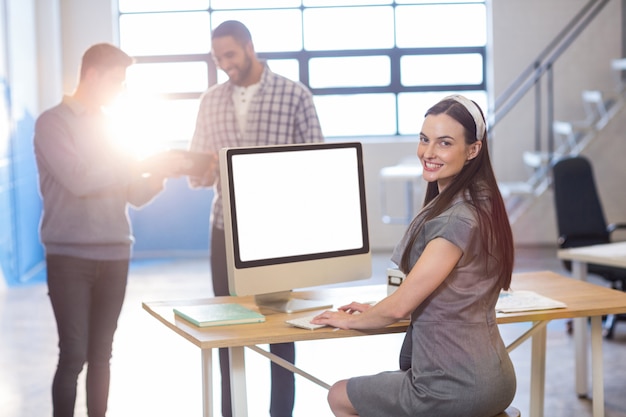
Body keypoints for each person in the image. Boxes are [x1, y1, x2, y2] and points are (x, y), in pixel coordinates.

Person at [312, 95, 517, 417]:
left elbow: (400, 306)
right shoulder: (483, 201)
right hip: (496, 378)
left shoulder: (455, 221)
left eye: (444, 143)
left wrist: (347, 320)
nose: (429, 153)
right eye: (424, 139)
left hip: (455, 385)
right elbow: (445, 297)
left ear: (473, 149)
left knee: (339, 394)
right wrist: (373, 310)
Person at [34, 43, 182, 417]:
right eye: (116, 81)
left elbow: (133, 193)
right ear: (92, 75)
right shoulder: (52, 123)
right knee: (74, 354)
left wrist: (161, 172)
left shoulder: (113, 127)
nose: (120, 90)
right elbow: (79, 179)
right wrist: (139, 164)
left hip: (116, 253)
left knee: (102, 355)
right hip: (69, 257)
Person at [187, 20, 324, 417]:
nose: (225, 64)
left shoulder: (294, 94)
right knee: (226, 330)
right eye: (218, 58)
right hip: (223, 229)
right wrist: (194, 167)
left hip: (276, 233)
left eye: (230, 55)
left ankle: (281, 413)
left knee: (282, 332)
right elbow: (200, 174)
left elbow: (316, 161)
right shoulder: (210, 100)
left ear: (249, 47)